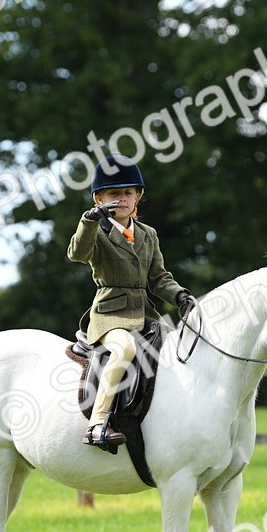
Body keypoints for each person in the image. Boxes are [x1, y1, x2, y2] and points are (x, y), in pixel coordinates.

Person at [67, 154, 196, 451]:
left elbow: (158, 278)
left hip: (145, 315)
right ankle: (98, 423)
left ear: (138, 196)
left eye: (128, 193)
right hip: (109, 314)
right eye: (114, 193)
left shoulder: (148, 234)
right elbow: (77, 253)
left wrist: (180, 295)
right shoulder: (96, 230)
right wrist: (89, 221)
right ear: (99, 198)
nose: (122, 199)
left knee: (178, 349)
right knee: (125, 347)